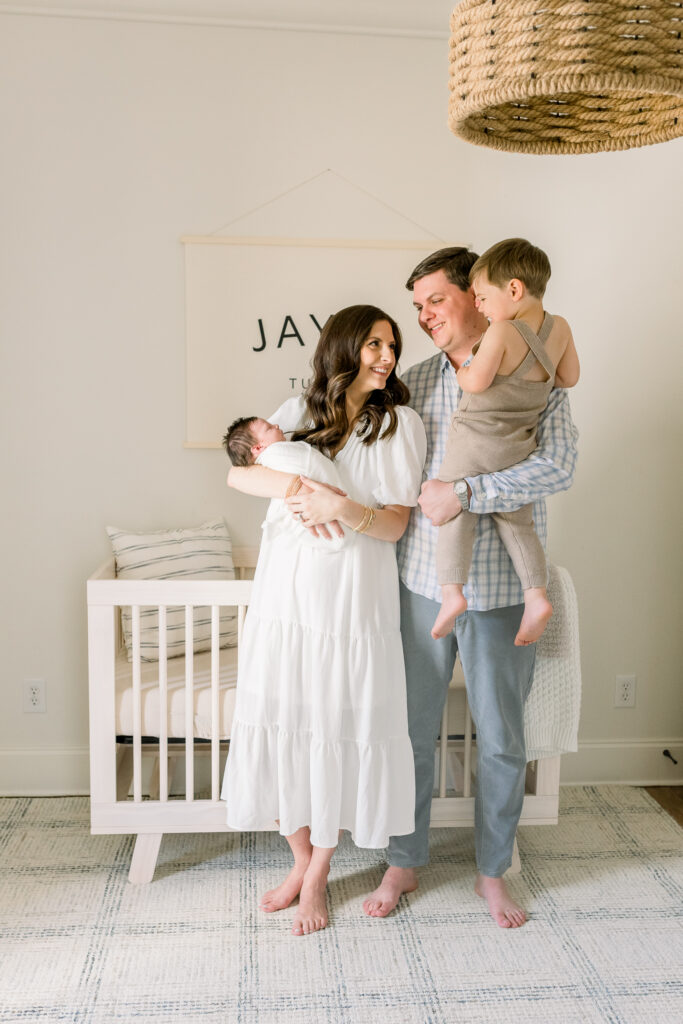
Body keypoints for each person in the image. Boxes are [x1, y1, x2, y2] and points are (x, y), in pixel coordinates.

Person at [362, 247, 578, 928]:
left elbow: (559, 465)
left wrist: (467, 491)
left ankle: (492, 870)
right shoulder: (414, 385)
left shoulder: (534, 368)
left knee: (503, 739)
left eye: (435, 300)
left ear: (478, 297)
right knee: (409, 732)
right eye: (417, 305)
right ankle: (403, 859)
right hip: (423, 586)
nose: (424, 316)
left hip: (503, 592)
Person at [221, 304, 427, 937]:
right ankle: (299, 859)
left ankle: (318, 878)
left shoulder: (399, 424)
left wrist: (340, 503)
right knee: (284, 721)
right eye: (373, 343)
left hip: (351, 595)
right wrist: (295, 492)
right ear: (344, 347)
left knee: (335, 728)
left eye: (392, 343)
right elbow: (238, 472)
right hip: (286, 593)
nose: (386, 355)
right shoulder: (295, 413)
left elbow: (396, 522)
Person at [432, 238, 580, 643]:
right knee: (519, 523)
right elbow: (567, 379)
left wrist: (465, 366)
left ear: (513, 290)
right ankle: (536, 595)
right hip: (518, 446)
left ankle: (451, 593)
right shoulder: (561, 327)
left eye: (481, 297)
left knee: (452, 512)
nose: (478, 305)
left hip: (476, 441)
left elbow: (476, 382)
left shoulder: (500, 332)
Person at [222, 415, 351, 550]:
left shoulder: (273, 456)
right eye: (269, 428)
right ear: (258, 448)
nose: (276, 426)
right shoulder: (274, 454)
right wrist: (301, 488)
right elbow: (234, 476)